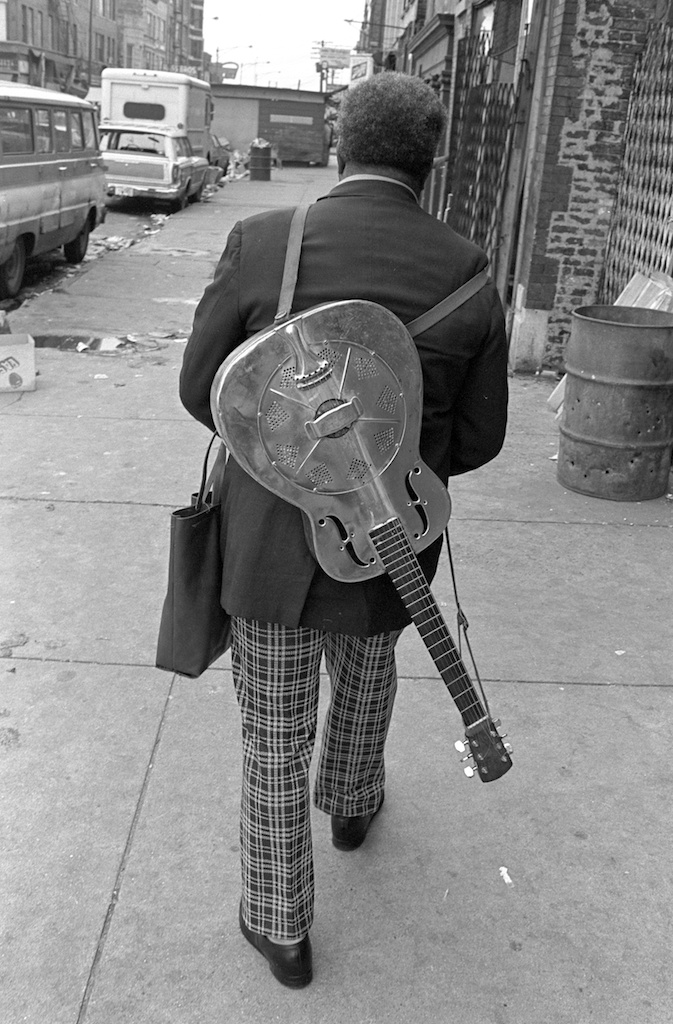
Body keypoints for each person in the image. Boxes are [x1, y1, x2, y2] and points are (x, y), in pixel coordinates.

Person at [179, 72, 508, 989]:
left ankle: (281, 929)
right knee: (366, 679)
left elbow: (201, 393)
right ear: (429, 159)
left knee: (272, 732)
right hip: (392, 539)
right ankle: (352, 805)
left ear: (339, 139)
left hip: (268, 543)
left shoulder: (262, 243)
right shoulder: (469, 272)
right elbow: (478, 439)